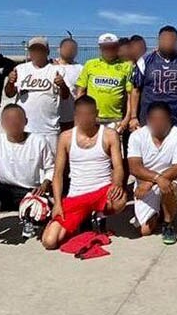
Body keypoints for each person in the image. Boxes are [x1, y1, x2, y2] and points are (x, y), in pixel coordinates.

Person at [42, 96, 127, 250]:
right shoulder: (66, 137)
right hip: (77, 194)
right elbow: (58, 174)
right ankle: (83, 220)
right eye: (81, 114)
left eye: (89, 114)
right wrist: (58, 203)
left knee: (120, 200)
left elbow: (118, 167)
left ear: (97, 113)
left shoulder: (109, 134)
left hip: (102, 190)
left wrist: (117, 184)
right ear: (75, 115)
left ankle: (100, 216)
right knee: (50, 242)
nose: (85, 118)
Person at [0, 104, 56, 249]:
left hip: (30, 191)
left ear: (26, 121)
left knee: (43, 210)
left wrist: (45, 183)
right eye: (8, 120)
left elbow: (51, 168)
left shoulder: (39, 141)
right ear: (2, 123)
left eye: (17, 119)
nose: (13, 123)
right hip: (3, 190)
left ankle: (29, 219)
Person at [127, 102, 177, 244]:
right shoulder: (137, 136)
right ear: (148, 120)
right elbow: (134, 168)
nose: (158, 123)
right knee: (145, 231)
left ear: (170, 119)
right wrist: (154, 179)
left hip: (167, 178)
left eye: (162, 119)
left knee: (171, 187)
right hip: (145, 180)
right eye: (154, 119)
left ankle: (168, 224)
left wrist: (153, 181)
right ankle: (158, 211)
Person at [130, 25, 177, 133]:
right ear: (159, 40)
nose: (168, 42)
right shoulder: (145, 61)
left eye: (171, 39)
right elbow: (135, 89)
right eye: (164, 39)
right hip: (150, 117)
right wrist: (133, 117)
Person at [5, 36, 68, 143]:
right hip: (24, 128)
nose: (37, 52)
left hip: (49, 129)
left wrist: (62, 85)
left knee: (50, 159)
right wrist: (10, 82)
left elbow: (65, 96)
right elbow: (9, 94)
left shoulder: (57, 69)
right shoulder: (21, 69)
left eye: (40, 49)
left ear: (47, 51)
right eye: (33, 50)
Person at [75, 33, 135, 131]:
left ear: (117, 47)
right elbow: (80, 92)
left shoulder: (126, 66)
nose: (109, 50)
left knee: (113, 145)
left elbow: (130, 95)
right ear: (100, 48)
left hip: (115, 119)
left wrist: (127, 118)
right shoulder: (90, 64)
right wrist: (78, 115)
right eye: (105, 47)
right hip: (91, 118)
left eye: (112, 47)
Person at [55, 37, 83, 132]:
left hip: (70, 117)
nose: (70, 50)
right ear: (59, 49)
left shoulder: (81, 69)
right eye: (66, 47)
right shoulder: (50, 65)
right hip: (52, 116)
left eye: (73, 48)